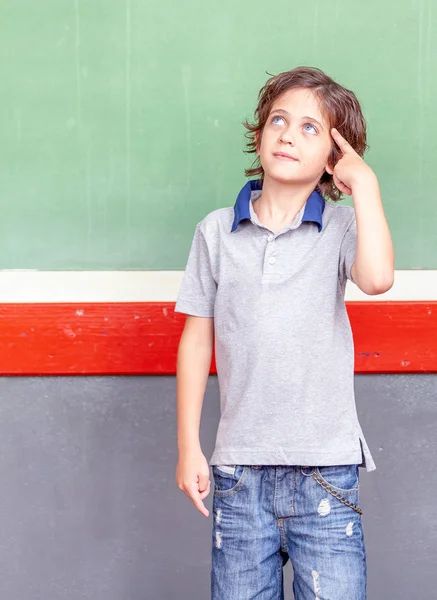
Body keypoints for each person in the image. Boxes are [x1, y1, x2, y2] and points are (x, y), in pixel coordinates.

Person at [174, 66, 394, 600]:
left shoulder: (342, 228)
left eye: (311, 128)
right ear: (258, 134)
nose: (289, 134)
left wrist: (365, 184)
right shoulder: (215, 231)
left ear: (334, 158)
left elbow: (378, 278)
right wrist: (188, 447)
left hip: (324, 471)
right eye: (278, 120)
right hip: (238, 472)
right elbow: (196, 339)